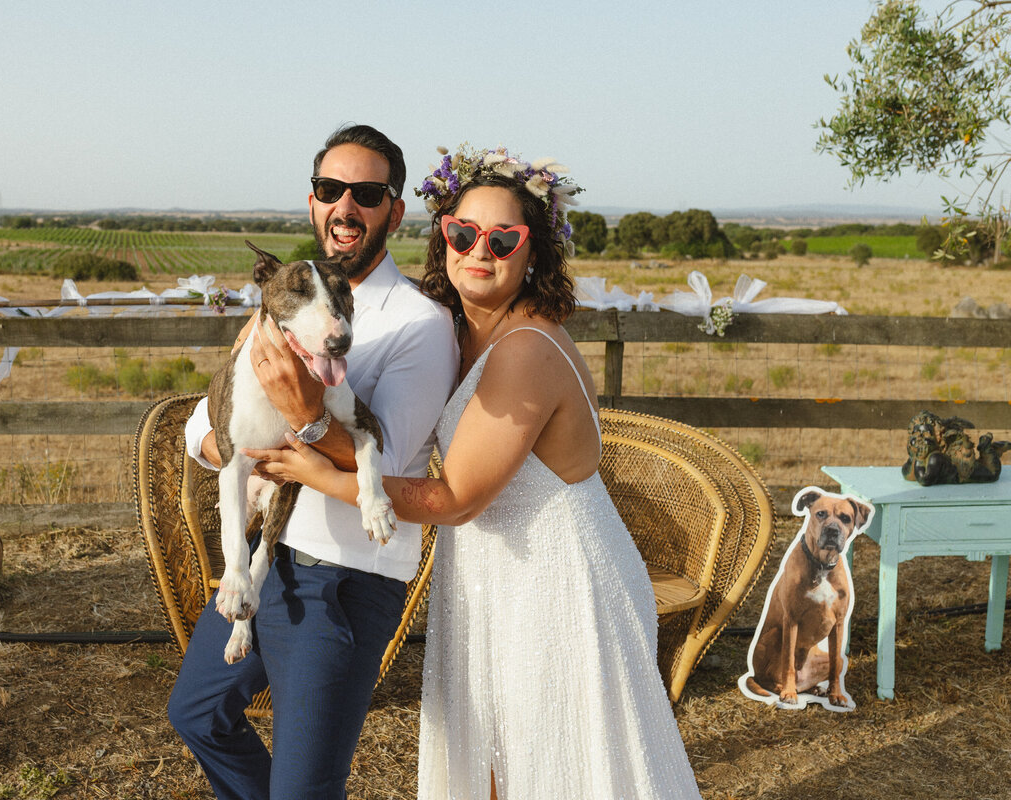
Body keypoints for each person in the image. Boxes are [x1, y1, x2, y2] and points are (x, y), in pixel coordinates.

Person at [246, 146, 702, 799]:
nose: (478, 250)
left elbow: (453, 496)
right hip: (490, 568)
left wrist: (315, 471)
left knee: (554, 760)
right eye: (462, 233)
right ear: (443, 240)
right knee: (493, 758)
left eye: (502, 238)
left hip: (556, 574)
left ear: (533, 250)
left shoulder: (525, 350)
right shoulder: (461, 328)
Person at [166, 124, 459, 799]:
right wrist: (238, 456)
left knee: (305, 787)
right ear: (312, 202)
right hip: (266, 555)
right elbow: (200, 430)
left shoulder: (420, 322)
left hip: (343, 579)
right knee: (199, 715)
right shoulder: (286, 301)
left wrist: (304, 415)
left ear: (394, 209)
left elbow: (379, 464)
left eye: (366, 193)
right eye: (332, 190)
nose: (345, 207)